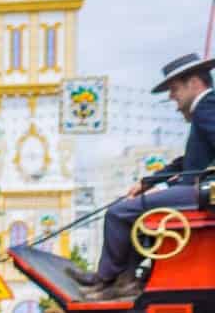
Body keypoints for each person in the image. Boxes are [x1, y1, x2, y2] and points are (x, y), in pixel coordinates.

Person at [74, 51, 215, 295]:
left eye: (174, 89)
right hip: (197, 189)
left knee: (119, 213)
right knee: (135, 216)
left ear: (193, 83)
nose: (172, 97)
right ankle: (126, 281)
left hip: (202, 192)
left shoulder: (207, 106)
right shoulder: (205, 110)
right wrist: (147, 182)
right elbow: (186, 162)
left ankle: (105, 277)